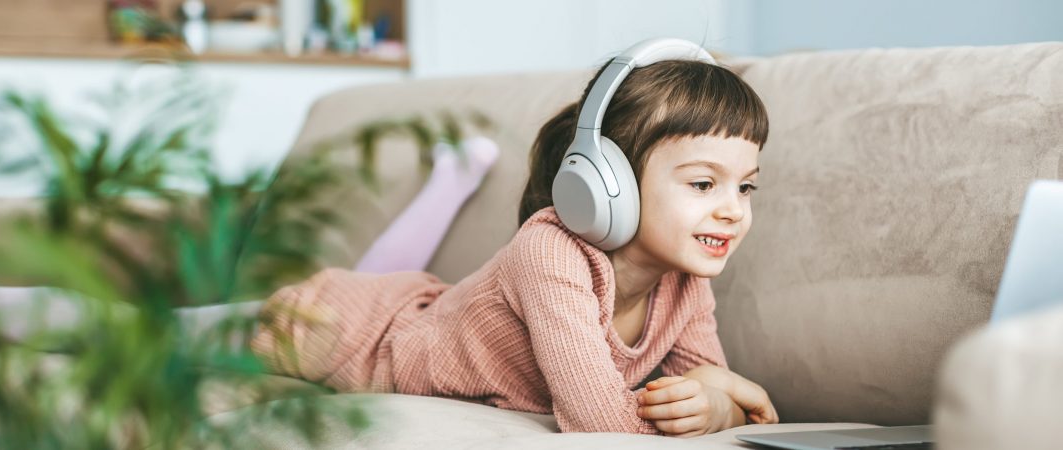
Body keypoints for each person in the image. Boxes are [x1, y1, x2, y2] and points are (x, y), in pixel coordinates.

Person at [250, 38, 779, 437]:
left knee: (395, 279)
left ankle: (449, 179)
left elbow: (705, 392)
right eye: (704, 184)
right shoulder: (550, 250)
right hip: (351, 333)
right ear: (607, 184)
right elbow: (602, 425)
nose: (733, 210)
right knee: (195, 336)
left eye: (746, 187)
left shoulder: (686, 279)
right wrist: (733, 396)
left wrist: (720, 406)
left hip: (426, 310)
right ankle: (449, 179)